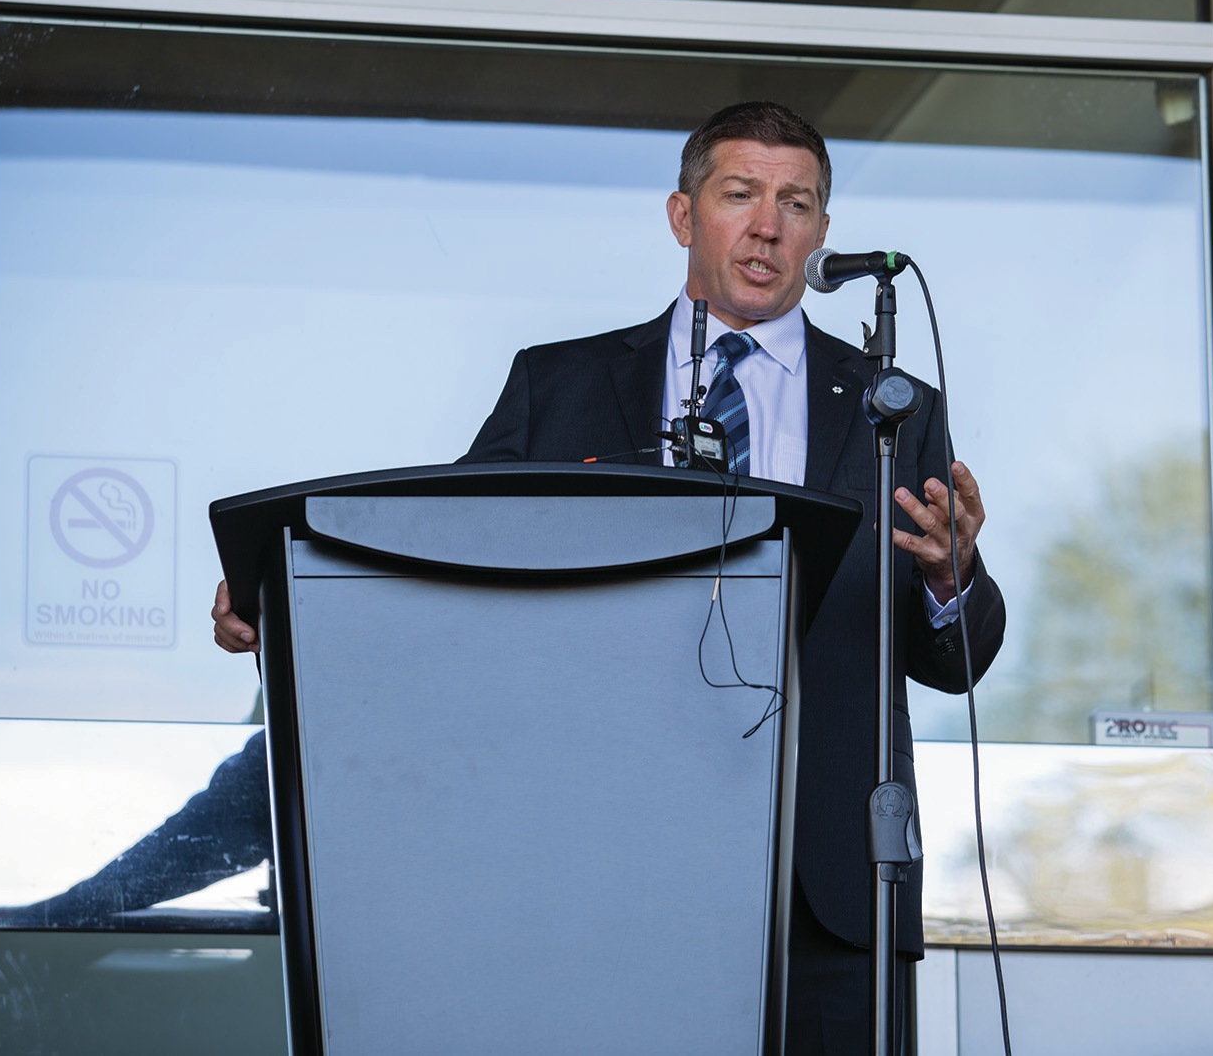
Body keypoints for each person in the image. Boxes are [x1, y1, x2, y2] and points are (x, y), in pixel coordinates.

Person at [213, 101, 1006, 1053]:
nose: (767, 226)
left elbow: (952, 660)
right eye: (739, 194)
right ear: (683, 215)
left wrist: (952, 574)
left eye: (795, 204)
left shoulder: (894, 408)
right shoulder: (561, 386)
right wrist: (287, 597)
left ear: (823, 236)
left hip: (825, 895)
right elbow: (441, 567)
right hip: (589, 872)